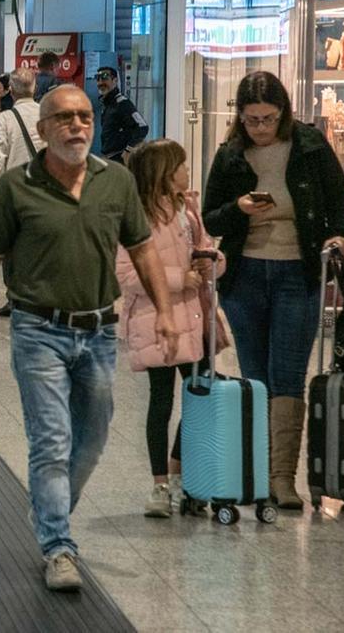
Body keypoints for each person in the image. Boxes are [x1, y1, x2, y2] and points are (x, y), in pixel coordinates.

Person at [0, 84, 177, 593]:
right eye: (63, 118)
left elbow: (144, 249)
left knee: (95, 434)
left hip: (99, 329)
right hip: (38, 328)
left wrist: (165, 311)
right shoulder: (18, 188)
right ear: (42, 131)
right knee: (52, 439)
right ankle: (58, 544)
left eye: (84, 116)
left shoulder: (117, 182)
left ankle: (48, 502)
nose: (77, 126)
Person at [202, 71, 344, 511]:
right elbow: (211, 218)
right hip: (245, 274)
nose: (262, 128)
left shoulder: (309, 145)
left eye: (269, 119)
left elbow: (340, 200)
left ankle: (282, 479)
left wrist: (338, 235)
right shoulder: (231, 155)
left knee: (288, 375)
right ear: (240, 118)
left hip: (298, 272)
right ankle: (256, 469)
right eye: (252, 120)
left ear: (284, 113)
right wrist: (241, 209)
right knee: (255, 375)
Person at [116, 140, 226, 518]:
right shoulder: (136, 218)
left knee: (204, 392)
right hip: (156, 323)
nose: (186, 171)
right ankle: (160, 484)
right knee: (161, 402)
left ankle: (180, 474)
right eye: (180, 165)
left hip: (193, 319)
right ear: (162, 173)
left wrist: (213, 263)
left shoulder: (188, 210)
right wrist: (181, 279)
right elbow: (128, 274)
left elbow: (206, 247)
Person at [0, 69, 45, 317]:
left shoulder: (5, 118)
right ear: (34, 88)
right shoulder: (49, 114)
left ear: (12, 91)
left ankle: (16, 297)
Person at [95, 66, 149, 164]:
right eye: (98, 78)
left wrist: (129, 150)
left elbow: (142, 127)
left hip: (119, 160)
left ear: (115, 80)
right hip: (109, 158)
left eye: (105, 78)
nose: (100, 82)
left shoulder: (122, 104)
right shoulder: (107, 105)